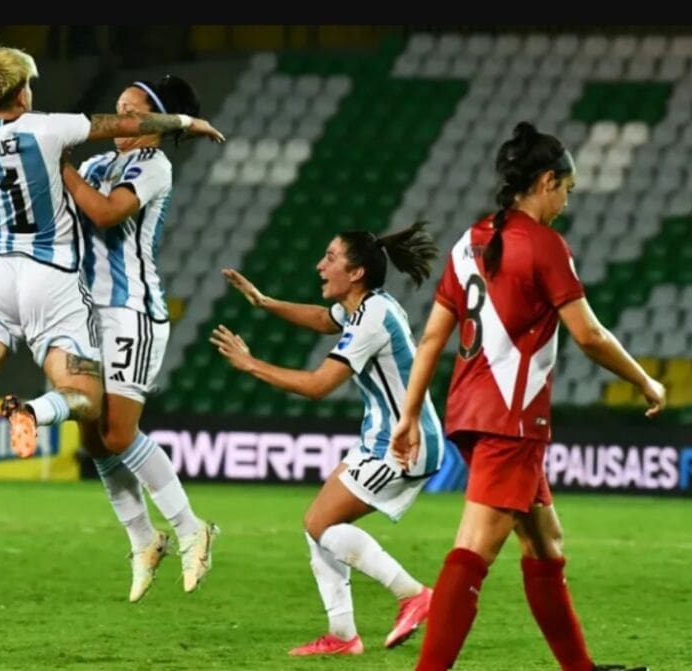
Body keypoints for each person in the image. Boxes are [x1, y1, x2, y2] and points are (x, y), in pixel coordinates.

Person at [0, 41, 224, 497]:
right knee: (85, 396)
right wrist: (186, 122)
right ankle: (35, 412)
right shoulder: (49, 130)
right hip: (49, 273)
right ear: (22, 92)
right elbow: (126, 124)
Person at [390, 122, 664, 671]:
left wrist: (411, 412)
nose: (567, 201)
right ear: (545, 182)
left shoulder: (471, 241)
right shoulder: (543, 245)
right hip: (510, 419)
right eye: (567, 189)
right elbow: (589, 334)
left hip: (471, 410)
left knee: (545, 543)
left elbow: (432, 338)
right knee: (474, 548)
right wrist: (645, 379)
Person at [211, 222, 444, 656]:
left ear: (356, 273)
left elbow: (320, 385)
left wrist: (250, 365)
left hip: (402, 444)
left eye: (331, 258)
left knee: (321, 524)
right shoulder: (365, 307)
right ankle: (342, 636)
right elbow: (322, 319)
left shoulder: (372, 317)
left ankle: (413, 594)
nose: (321, 266)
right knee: (316, 525)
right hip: (381, 439)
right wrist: (264, 302)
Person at [60, 76, 218, 601]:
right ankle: (144, 539)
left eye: (132, 110)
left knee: (120, 433)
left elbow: (106, 214)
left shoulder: (154, 166)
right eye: (118, 107)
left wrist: (57, 166)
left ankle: (193, 527)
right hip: (86, 312)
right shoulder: (97, 166)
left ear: (154, 120)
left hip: (132, 312)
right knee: (90, 434)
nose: (120, 118)